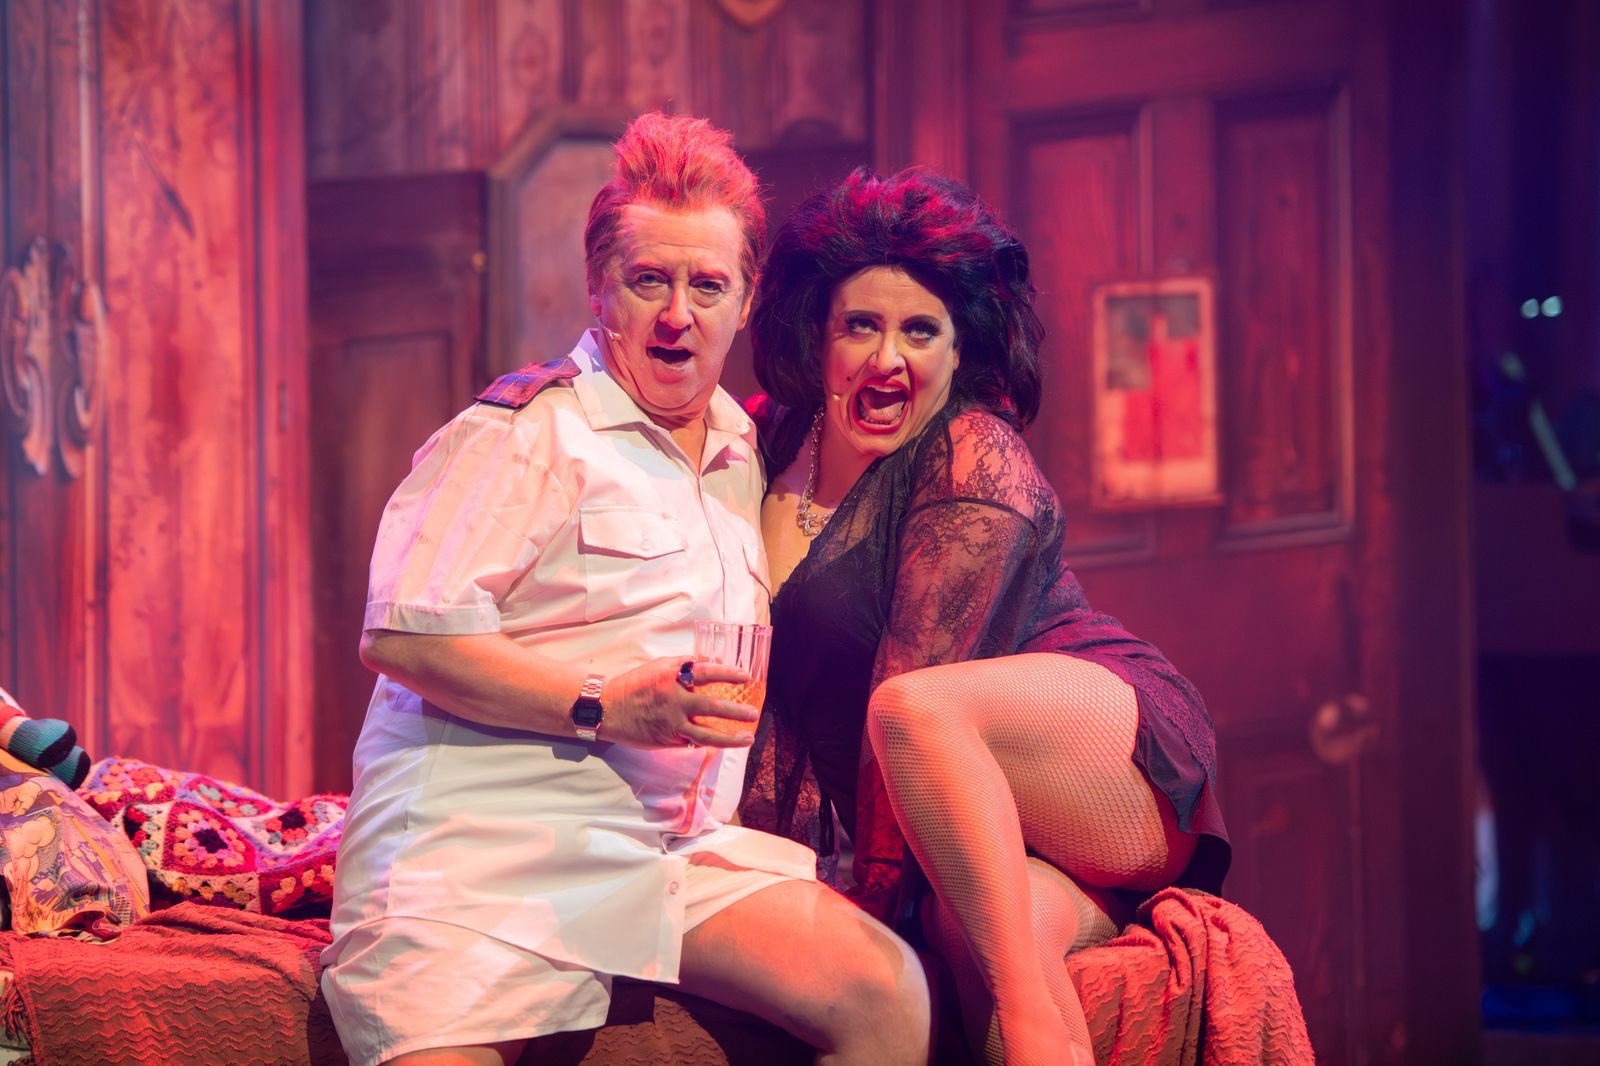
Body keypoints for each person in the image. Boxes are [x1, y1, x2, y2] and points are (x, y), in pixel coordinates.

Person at [321, 114, 930, 1066]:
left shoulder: (743, 453)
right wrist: (605, 702)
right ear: (599, 288)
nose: (677, 314)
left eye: (707, 285)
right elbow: (402, 637)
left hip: (661, 857)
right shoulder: (525, 432)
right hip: (477, 857)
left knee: (885, 996)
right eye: (650, 281)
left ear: (746, 299)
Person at [743, 168, 1231, 1066]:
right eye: (861, 325)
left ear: (961, 347)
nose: (888, 359)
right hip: (969, 810)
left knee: (912, 711)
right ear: (817, 332)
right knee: (984, 955)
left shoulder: (974, 459)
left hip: (1102, 753)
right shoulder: (767, 438)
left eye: (920, 331)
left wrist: (854, 919)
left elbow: (911, 692)